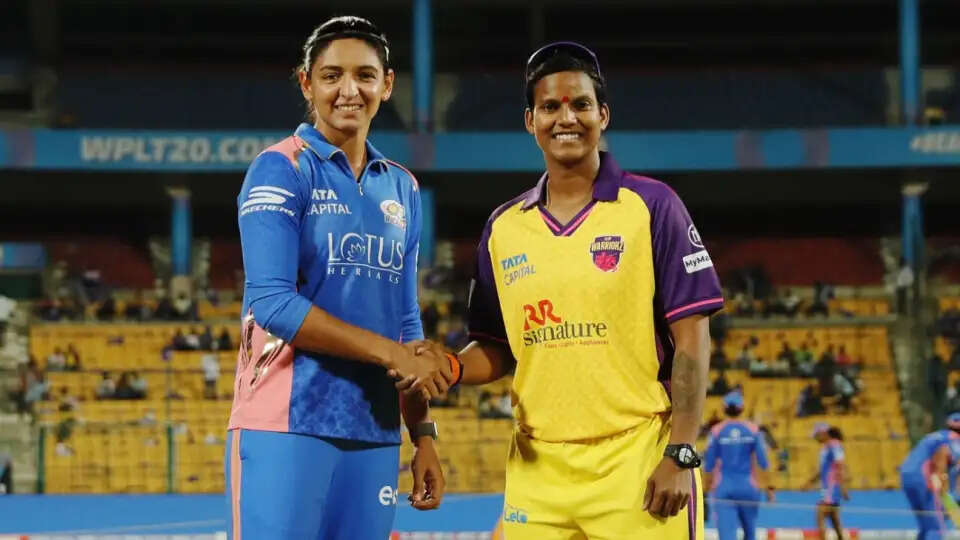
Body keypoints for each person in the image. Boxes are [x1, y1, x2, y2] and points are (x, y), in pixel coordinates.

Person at [408, 41, 722, 538]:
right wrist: (450, 366)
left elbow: (692, 338)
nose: (566, 118)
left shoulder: (652, 206)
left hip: (636, 461)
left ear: (603, 115)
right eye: (550, 107)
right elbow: (496, 347)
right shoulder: (504, 227)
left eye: (580, 104)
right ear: (530, 121)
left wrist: (680, 451)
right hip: (538, 472)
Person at [225, 16, 455, 540]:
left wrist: (422, 434)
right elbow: (273, 304)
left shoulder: (403, 187)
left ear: (387, 84)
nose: (349, 90)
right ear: (306, 83)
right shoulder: (280, 167)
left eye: (364, 75)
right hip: (284, 425)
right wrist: (390, 353)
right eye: (332, 76)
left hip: (374, 433)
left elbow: (405, 321)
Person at [702, 391, 774, 540]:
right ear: (742, 408)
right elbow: (763, 462)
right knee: (750, 533)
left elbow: (709, 464)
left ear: (724, 409)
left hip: (724, 488)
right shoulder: (753, 430)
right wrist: (770, 488)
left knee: (727, 536)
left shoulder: (716, 431)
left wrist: (705, 488)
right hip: (749, 488)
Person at [899, 413, 960, 540]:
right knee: (936, 527)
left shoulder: (935, 436)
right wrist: (944, 491)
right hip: (924, 478)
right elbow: (941, 461)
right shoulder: (953, 439)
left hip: (906, 476)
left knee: (926, 525)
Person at [805, 424, 849, 540]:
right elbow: (823, 469)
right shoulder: (825, 448)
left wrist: (843, 487)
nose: (815, 438)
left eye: (816, 435)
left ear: (824, 433)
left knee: (820, 514)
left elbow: (840, 465)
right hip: (826, 488)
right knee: (834, 518)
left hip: (832, 487)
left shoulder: (834, 445)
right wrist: (810, 482)